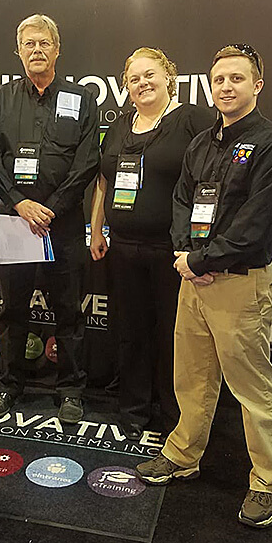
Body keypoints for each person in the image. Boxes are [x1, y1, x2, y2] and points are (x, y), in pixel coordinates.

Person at [136, 45, 272, 529]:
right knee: (191, 377)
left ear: (257, 85)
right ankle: (183, 455)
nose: (226, 87)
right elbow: (182, 200)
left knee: (251, 389)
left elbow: (258, 222)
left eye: (236, 78)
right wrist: (186, 254)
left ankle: (267, 481)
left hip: (239, 284)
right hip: (194, 279)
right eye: (219, 79)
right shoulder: (202, 143)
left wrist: (202, 260)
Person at [89, 47, 214, 440]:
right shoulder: (120, 126)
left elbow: (211, 179)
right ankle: (133, 409)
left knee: (174, 334)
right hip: (123, 247)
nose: (142, 83)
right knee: (131, 331)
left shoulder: (191, 119)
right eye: (134, 78)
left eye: (149, 75)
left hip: (172, 251)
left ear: (168, 78)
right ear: (126, 86)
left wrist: (199, 243)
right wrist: (97, 229)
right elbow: (104, 181)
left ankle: (175, 413)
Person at [0, 14, 100, 424]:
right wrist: (19, 203)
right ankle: (8, 386)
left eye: (44, 43)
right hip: (14, 223)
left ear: (57, 50)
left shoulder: (82, 98)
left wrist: (51, 208)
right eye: (29, 43)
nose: (36, 50)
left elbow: (88, 161)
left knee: (68, 311)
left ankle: (70, 390)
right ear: (18, 51)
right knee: (12, 311)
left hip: (62, 226)